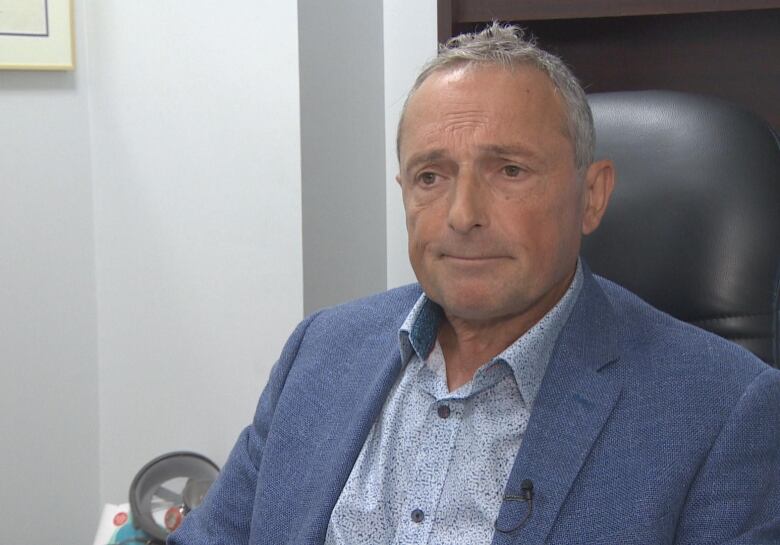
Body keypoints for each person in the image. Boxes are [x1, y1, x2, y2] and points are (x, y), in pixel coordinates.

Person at [169, 23, 780, 544]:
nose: (463, 214)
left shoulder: (727, 412)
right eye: (431, 176)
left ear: (591, 196)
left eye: (509, 170)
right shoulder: (321, 351)